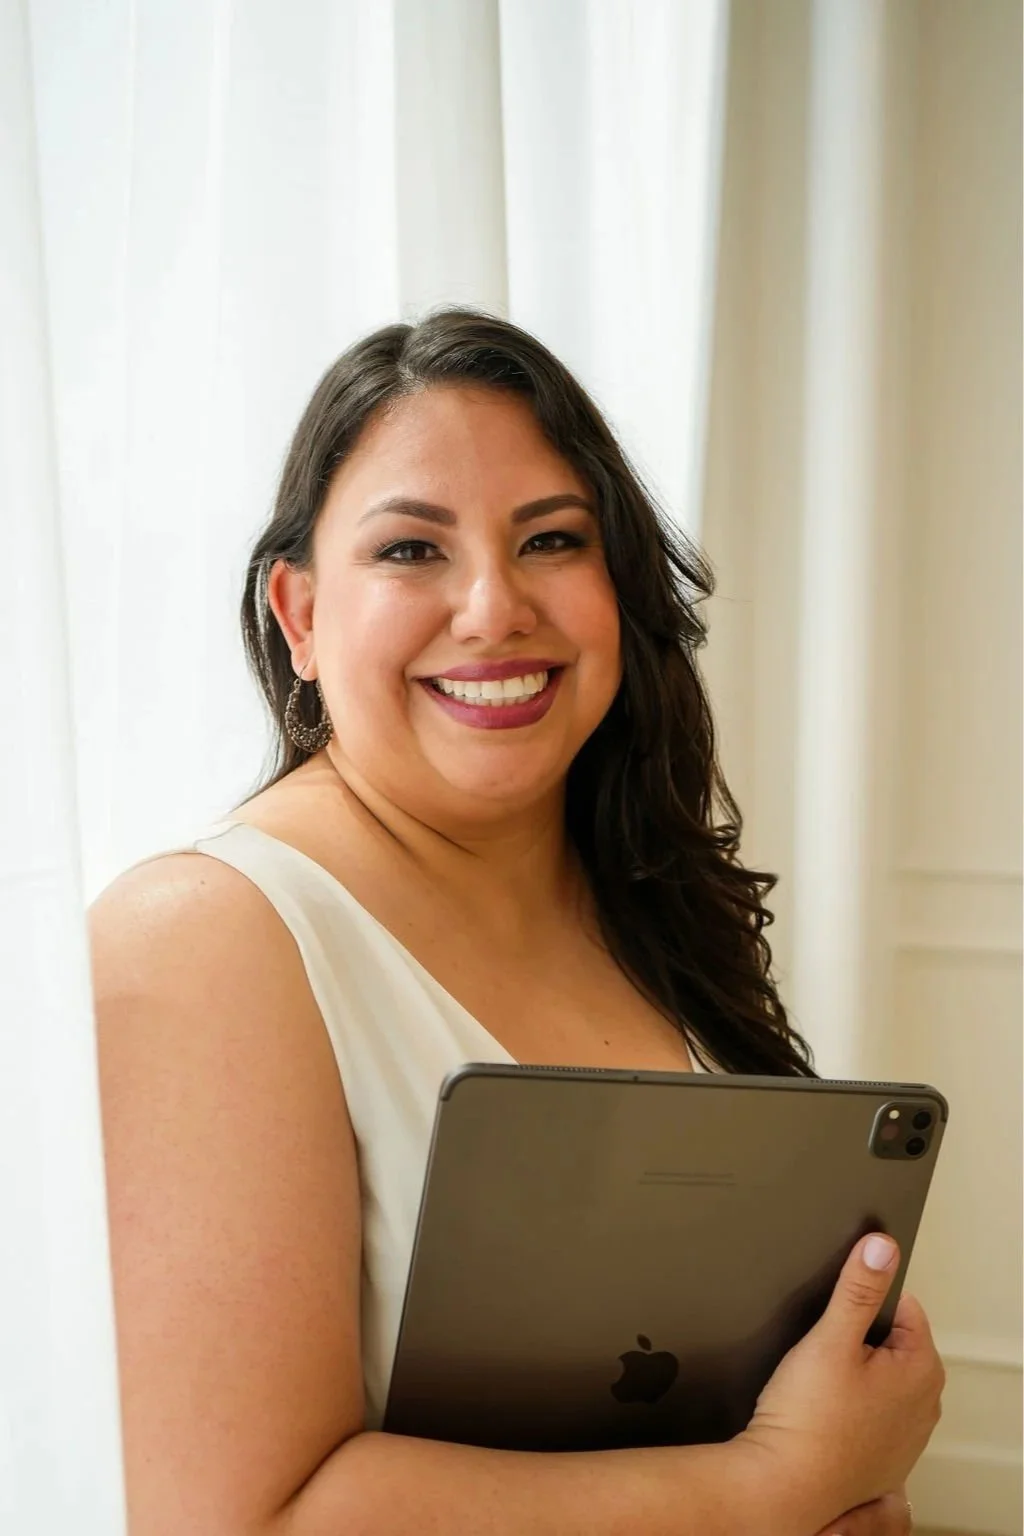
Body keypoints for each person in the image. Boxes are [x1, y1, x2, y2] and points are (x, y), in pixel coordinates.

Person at [88, 309, 943, 1535]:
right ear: (301, 616)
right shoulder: (202, 939)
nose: (493, 609)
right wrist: (777, 1489)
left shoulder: (646, 904)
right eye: (410, 550)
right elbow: (231, 1520)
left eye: (551, 539)